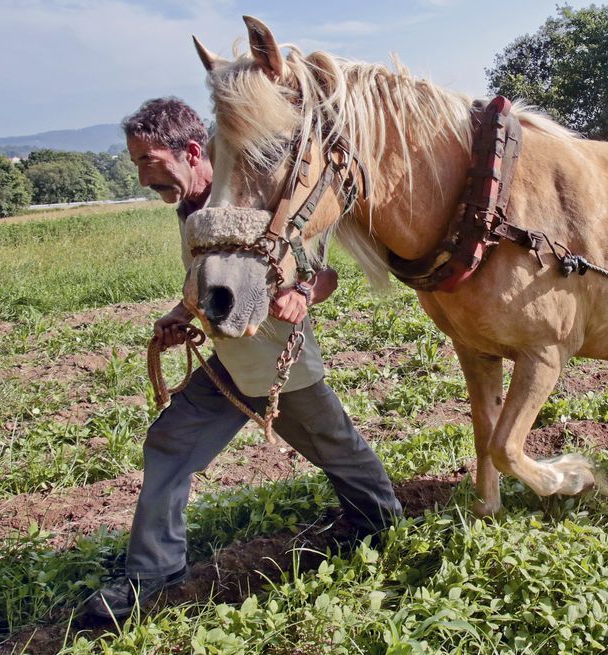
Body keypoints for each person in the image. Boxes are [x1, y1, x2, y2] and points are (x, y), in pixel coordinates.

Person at [83, 97, 401, 620]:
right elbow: (209, 281)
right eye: (136, 162)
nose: (142, 177)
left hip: (280, 366)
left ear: (190, 151)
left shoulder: (259, 196)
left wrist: (305, 294)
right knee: (170, 442)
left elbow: (323, 274)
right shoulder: (190, 207)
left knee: (337, 449)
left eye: (147, 161)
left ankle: (385, 524)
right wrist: (180, 313)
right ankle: (153, 575)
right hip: (227, 363)